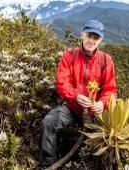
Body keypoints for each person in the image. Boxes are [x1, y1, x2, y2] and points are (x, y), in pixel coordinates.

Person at [39, 20, 117, 169]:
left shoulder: (106, 61)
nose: (91, 41)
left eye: (96, 38)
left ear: (100, 40)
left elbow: (111, 90)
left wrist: (103, 103)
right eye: (89, 35)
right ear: (82, 34)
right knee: (48, 122)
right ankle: (46, 164)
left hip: (97, 114)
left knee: (111, 142)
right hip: (73, 108)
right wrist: (76, 96)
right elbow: (62, 83)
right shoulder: (69, 56)